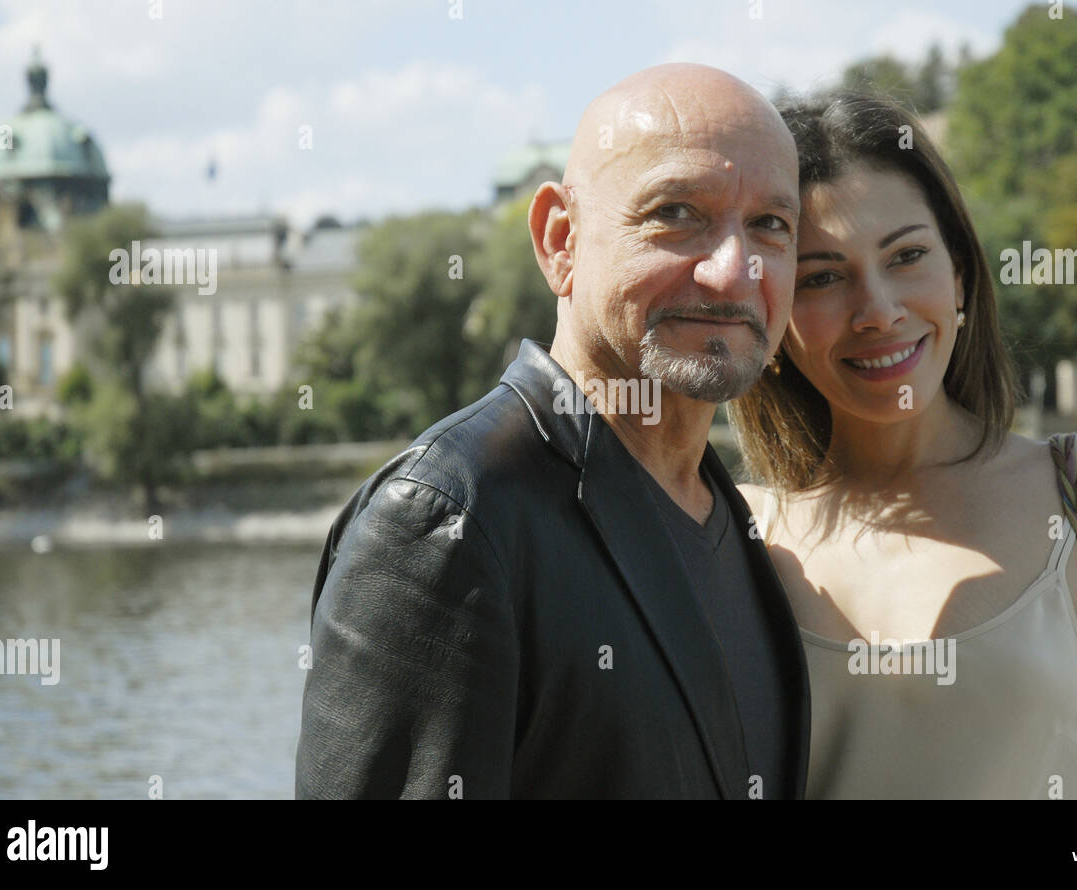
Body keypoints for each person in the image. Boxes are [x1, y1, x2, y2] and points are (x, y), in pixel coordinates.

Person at [296, 63, 812, 799]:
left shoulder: (727, 517)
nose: (734, 272)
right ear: (560, 240)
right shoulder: (450, 520)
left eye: (771, 224)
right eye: (676, 213)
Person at [731, 90, 1077, 799]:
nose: (878, 311)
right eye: (823, 277)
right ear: (776, 319)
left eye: (907, 255)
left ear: (962, 276)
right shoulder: (732, 534)